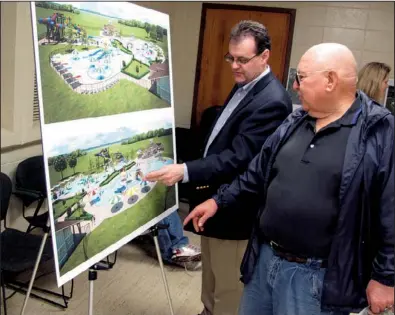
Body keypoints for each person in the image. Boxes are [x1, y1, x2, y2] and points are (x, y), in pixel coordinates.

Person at [184, 43, 394, 315]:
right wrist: (217, 201)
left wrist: (386, 278)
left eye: (302, 77)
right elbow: (256, 173)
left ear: (330, 80)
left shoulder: (378, 131)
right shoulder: (295, 121)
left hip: (316, 277)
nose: (294, 85)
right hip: (265, 260)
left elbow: (391, 209)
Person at [145, 20, 292, 315]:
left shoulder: (272, 101)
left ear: (264, 57)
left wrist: (185, 170)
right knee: (211, 279)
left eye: (242, 60)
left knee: (228, 287)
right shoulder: (246, 85)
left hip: (235, 210)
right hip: (214, 205)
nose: (234, 66)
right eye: (230, 58)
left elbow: (238, 157)